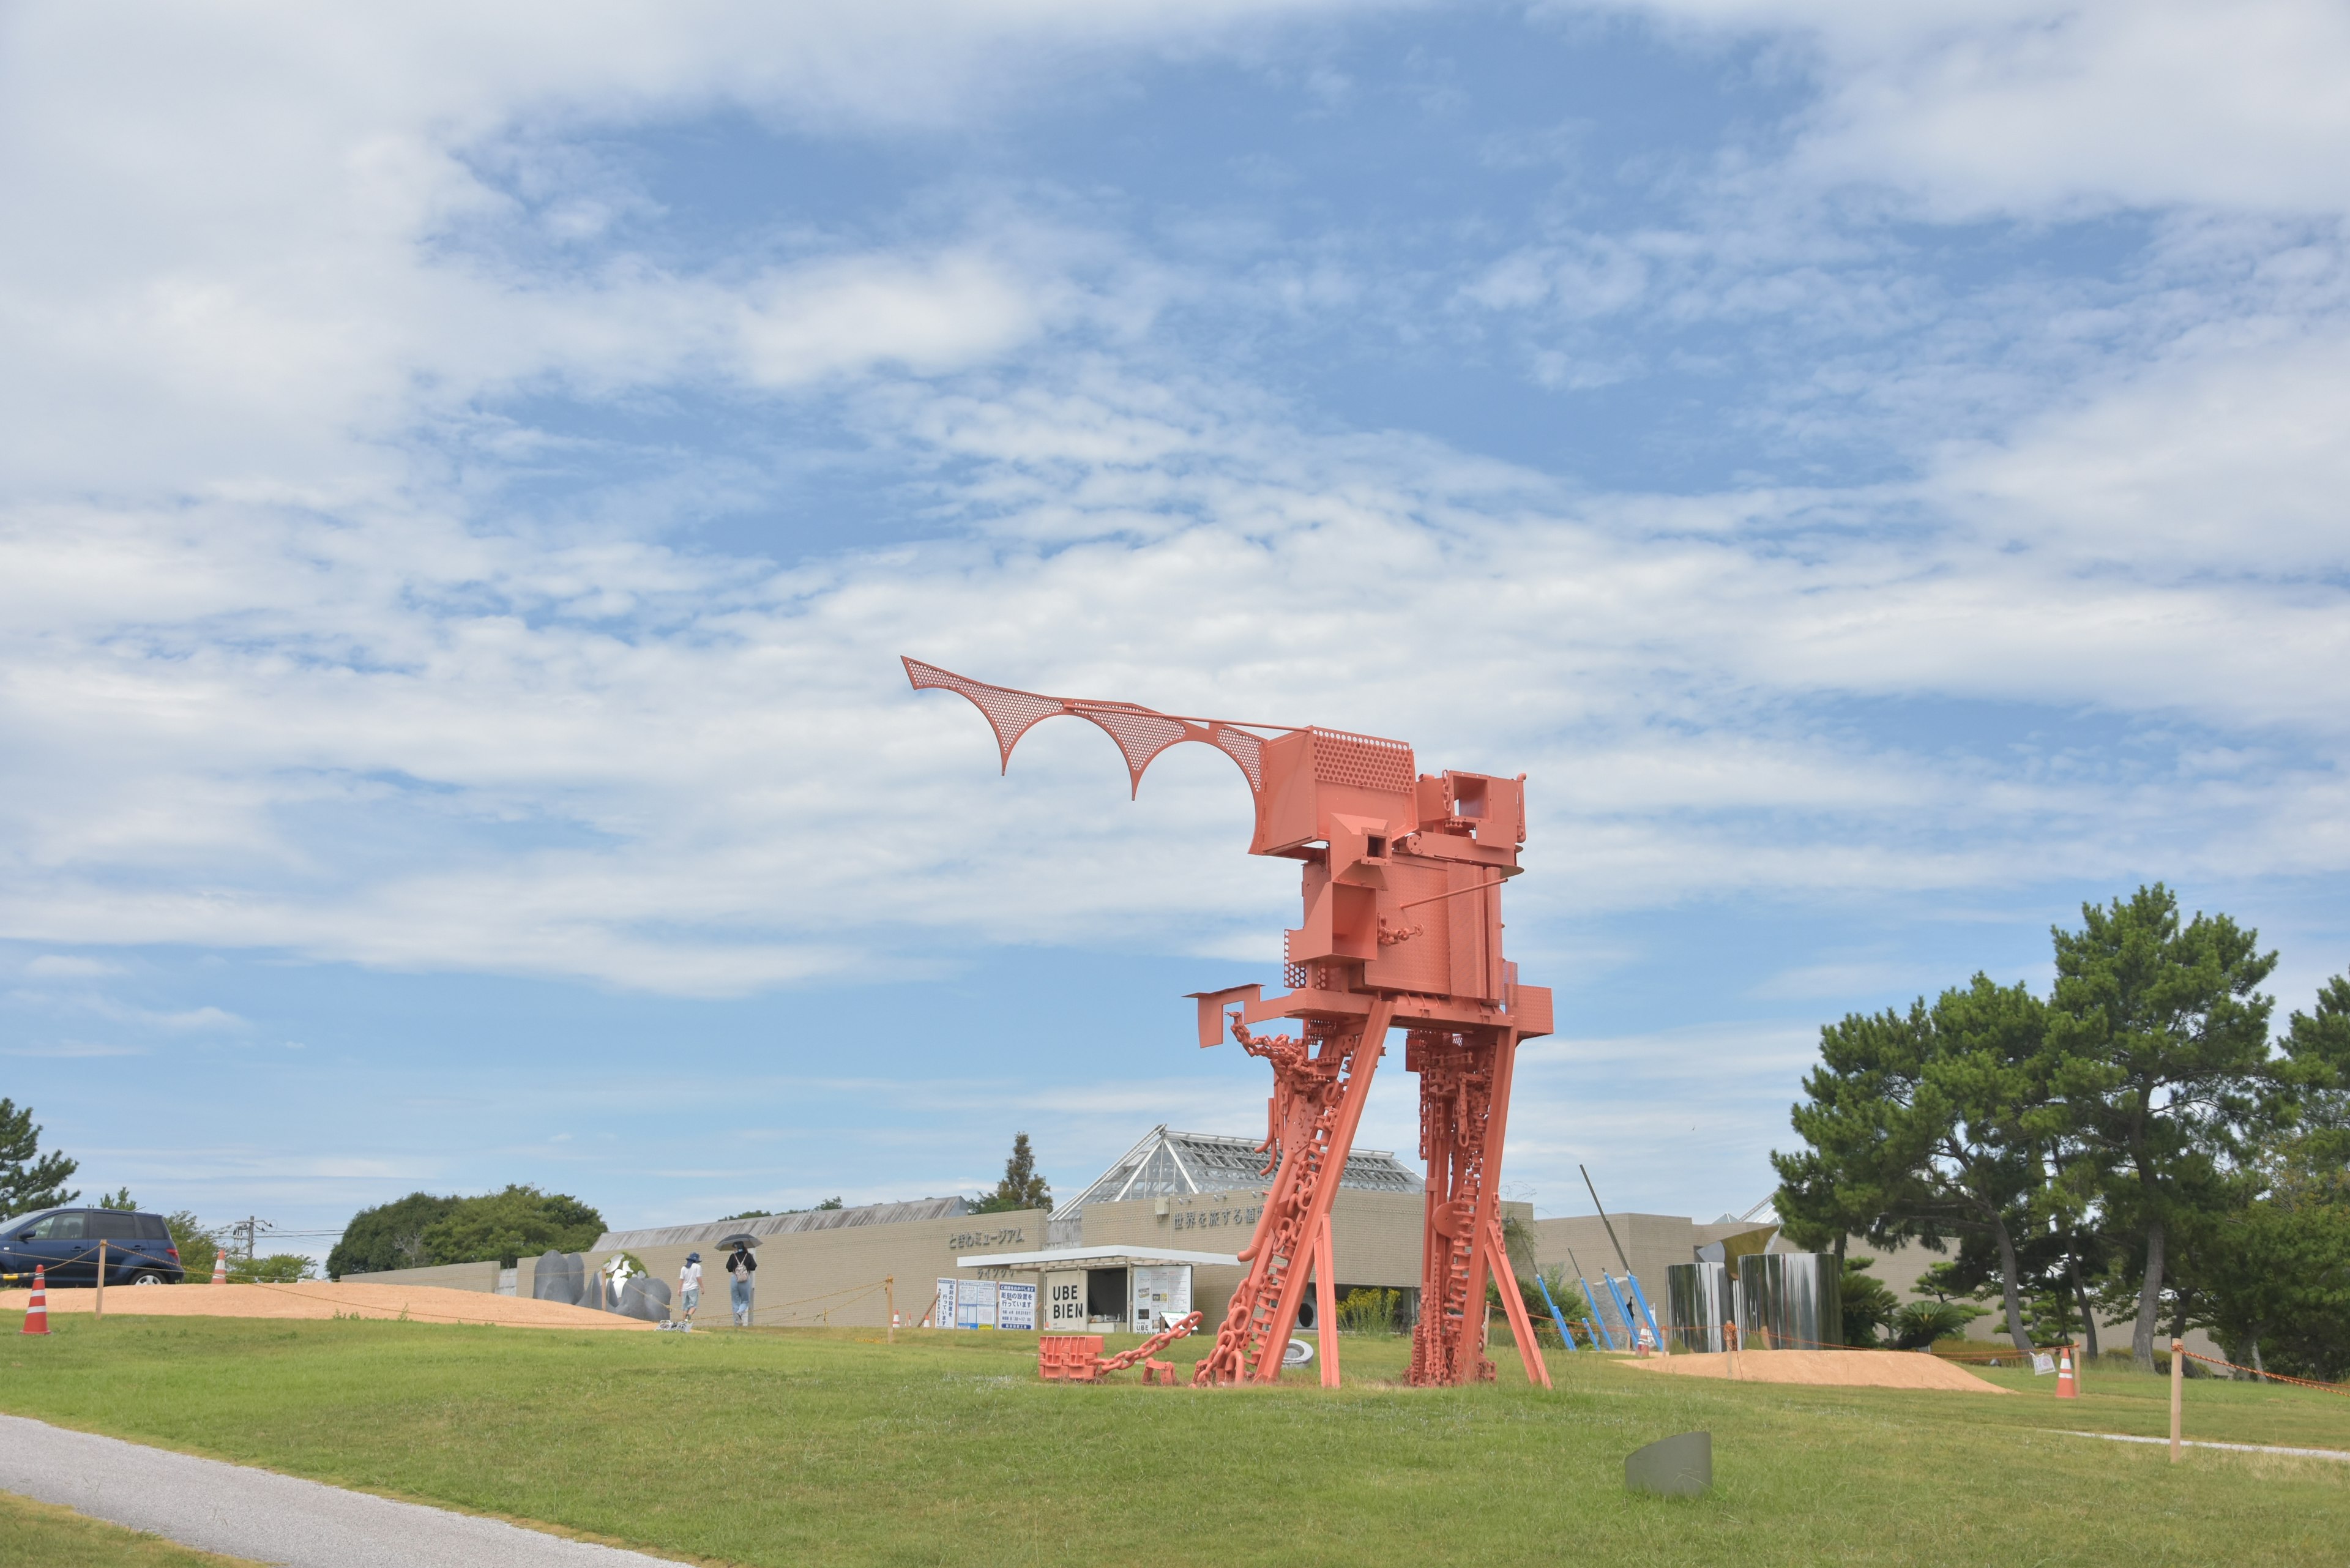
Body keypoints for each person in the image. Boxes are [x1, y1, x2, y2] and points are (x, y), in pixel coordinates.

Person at [726, 1240, 756, 1327]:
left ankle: (736, 1323)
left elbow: (728, 1268)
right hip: (745, 1280)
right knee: (745, 1300)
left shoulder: (733, 1256)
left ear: (736, 1248)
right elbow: (753, 1267)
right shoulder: (748, 1256)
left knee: (735, 1301)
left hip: (734, 1279)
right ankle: (740, 1313)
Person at [677, 1252, 702, 1326]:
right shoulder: (698, 1267)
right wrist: (702, 1287)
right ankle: (689, 1316)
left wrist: (679, 1289)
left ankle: (683, 1322)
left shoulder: (684, 1268)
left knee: (685, 1307)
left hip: (685, 1289)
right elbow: (698, 1278)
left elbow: (681, 1279)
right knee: (693, 1306)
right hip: (693, 1289)